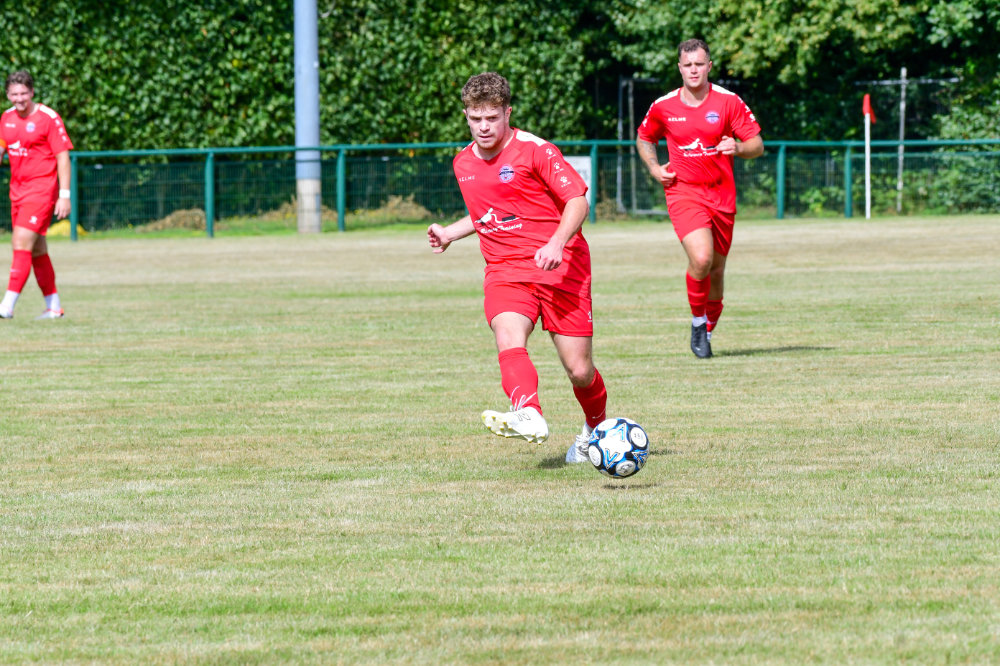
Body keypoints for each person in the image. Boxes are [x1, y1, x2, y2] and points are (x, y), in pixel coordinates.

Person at [427, 72, 609, 464]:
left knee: (579, 370)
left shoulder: (536, 151)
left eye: (492, 118)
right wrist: (450, 233)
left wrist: (556, 242)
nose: (484, 127)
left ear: (508, 113)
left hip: (562, 267)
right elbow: (490, 213)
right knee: (508, 335)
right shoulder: (463, 162)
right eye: (476, 118)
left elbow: (578, 201)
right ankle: (528, 411)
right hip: (506, 270)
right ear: (466, 116)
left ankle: (595, 429)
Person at [636, 39, 763, 358]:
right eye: (688, 65)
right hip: (684, 193)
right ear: (680, 68)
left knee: (716, 271)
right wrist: (654, 168)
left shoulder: (728, 102)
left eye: (699, 64)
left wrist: (738, 147)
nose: (694, 70)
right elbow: (644, 137)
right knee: (702, 259)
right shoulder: (664, 106)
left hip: (722, 195)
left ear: (709, 66)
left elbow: (757, 144)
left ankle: (707, 327)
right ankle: (697, 321)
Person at [0, 70, 73, 320]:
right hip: (17, 192)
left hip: (41, 190)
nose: (19, 99)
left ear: (31, 92)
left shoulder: (48, 118)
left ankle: (6, 306)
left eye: (23, 93)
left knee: (20, 242)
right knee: (37, 249)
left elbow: (63, 157)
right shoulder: (6, 118)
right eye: (14, 94)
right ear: (8, 95)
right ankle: (53, 307)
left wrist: (64, 195)